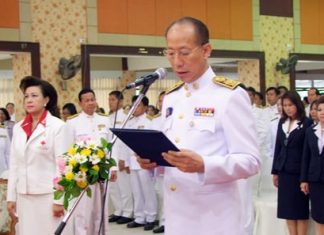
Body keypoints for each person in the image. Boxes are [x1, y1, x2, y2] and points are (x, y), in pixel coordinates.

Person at [137, 17, 260, 235]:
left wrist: (204, 164)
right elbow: (173, 151)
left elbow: (250, 161)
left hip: (214, 218)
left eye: (184, 53)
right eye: (170, 53)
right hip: (176, 215)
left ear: (206, 50)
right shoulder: (172, 97)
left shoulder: (229, 95)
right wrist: (155, 162)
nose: (176, 62)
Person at [6, 76, 70, 235]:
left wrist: (59, 200)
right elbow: (14, 164)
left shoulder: (58, 127)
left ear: (46, 100)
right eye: (26, 96)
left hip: (48, 196)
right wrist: (11, 197)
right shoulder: (19, 127)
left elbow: (63, 166)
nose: (29, 100)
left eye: (34, 96)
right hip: (24, 196)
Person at [66, 88, 115, 235]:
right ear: (80, 103)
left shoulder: (105, 119)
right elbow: (68, 149)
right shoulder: (72, 122)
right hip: (82, 173)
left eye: (92, 99)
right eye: (86, 100)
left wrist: (114, 168)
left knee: (101, 208)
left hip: (103, 170)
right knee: (83, 209)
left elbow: (112, 144)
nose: (90, 103)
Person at [271, 91, 312, 235]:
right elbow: (278, 147)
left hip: (299, 172)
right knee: (287, 209)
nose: (287, 108)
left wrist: (305, 177)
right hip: (284, 171)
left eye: (290, 105)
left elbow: (308, 151)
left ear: (297, 105)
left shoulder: (307, 123)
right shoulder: (282, 122)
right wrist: (275, 171)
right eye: (284, 105)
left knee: (300, 210)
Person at [125, 95, 158, 231]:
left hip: (145, 162)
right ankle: (139, 217)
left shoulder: (150, 121)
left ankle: (151, 217)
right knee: (136, 191)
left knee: (147, 190)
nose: (134, 108)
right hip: (133, 162)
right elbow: (126, 145)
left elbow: (152, 142)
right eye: (133, 105)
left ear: (145, 107)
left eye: (137, 105)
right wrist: (127, 162)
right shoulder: (130, 122)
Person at [107, 90, 134, 224]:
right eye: (109, 99)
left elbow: (127, 141)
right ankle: (118, 211)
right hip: (110, 158)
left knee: (124, 187)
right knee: (113, 187)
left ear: (121, 101)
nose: (110, 102)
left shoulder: (126, 117)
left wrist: (125, 159)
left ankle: (128, 212)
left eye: (113, 99)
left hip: (122, 157)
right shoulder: (108, 118)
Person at [301, 96, 324, 235]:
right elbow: (306, 156)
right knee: (319, 217)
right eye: (320, 109)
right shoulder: (310, 131)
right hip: (315, 180)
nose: (322, 112)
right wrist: (304, 179)